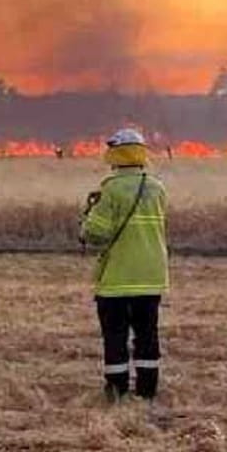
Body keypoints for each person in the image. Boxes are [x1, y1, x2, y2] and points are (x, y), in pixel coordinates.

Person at [79, 127, 170, 401]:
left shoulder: (112, 189)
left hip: (118, 278)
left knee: (116, 336)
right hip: (151, 275)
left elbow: (97, 233)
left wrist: (86, 221)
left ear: (115, 154)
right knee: (147, 335)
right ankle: (147, 390)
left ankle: (117, 390)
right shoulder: (157, 188)